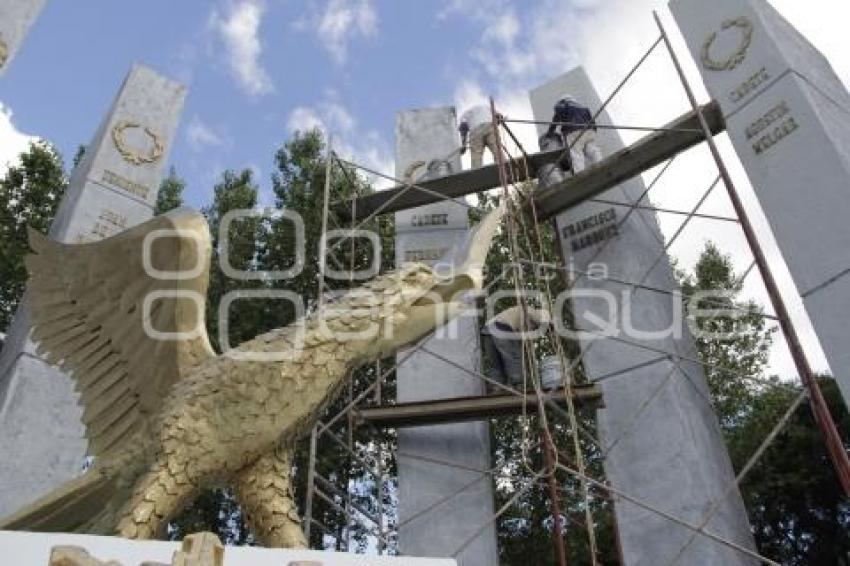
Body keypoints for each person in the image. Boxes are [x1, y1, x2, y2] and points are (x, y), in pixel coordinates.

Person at [481, 305, 550, 391]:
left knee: (497, 364)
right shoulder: (529, 310)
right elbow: (537, 318)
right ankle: (519, 385)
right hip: (501, 328)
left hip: (487, 331)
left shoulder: (518, 318)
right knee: (514, 357)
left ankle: (496, 387)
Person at [546, 94, 603, 173]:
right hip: (589, 130)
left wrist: (549, 133)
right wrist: (593, 130)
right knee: (592, 149)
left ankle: (579, 174)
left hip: (573, 131)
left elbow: (555, 120)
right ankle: (600, 164)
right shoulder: (583, 107)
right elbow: (592, 121)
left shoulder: (563, 105)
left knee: (576, 153)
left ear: (563, 100)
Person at [458, 104, 502, 169]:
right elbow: (499, 116)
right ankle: (502, 167)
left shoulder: (464, 115)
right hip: (489, 125)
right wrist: (498, 122)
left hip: (475, 131)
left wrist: (464, 145)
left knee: (476, 156)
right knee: (497, 150)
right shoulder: (486, 107)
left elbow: (463, 129)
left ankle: (477, 171)